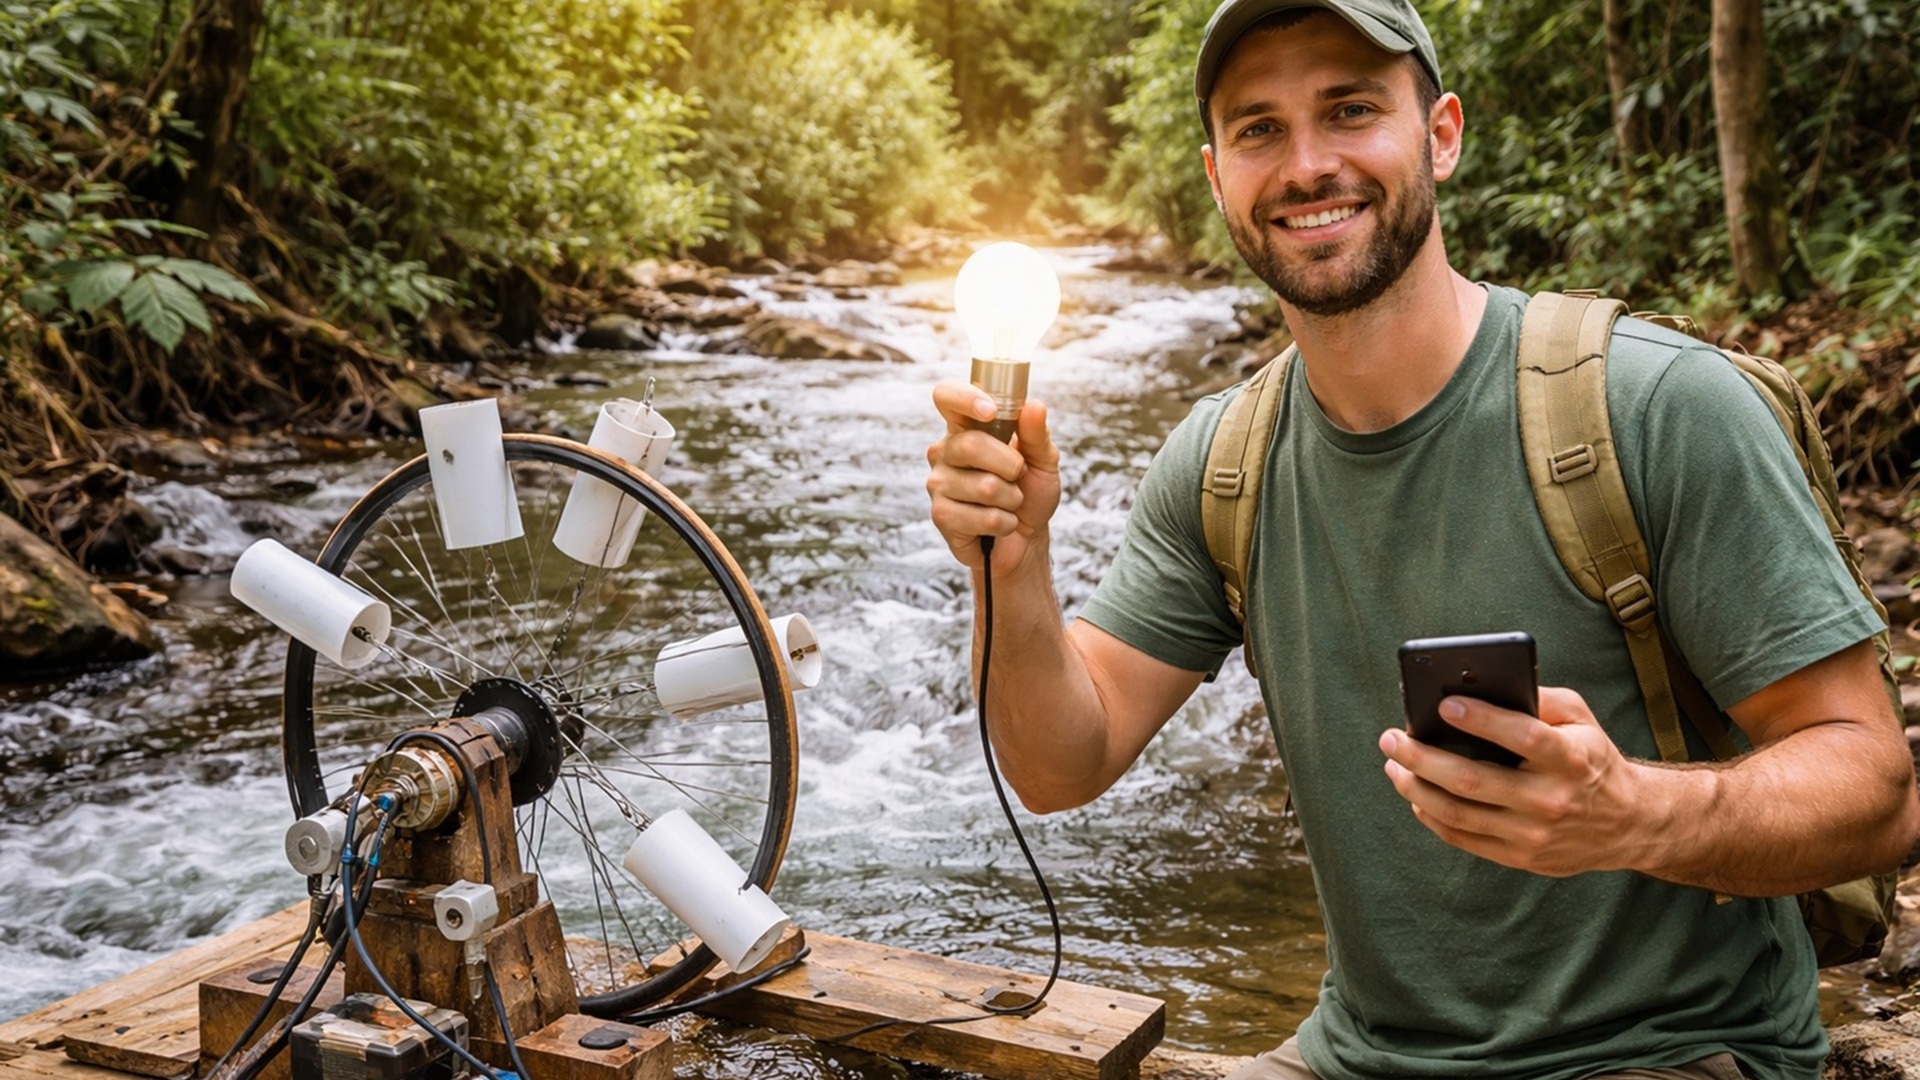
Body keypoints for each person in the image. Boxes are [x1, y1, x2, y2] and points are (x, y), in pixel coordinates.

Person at [922, 1, 1920, 1077]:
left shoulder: (1660, 408)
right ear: (1218, 178)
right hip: (1355, 1057)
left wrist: (1634, 814)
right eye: (1259, 129)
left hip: (1668, 1053)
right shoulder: (1224, 462)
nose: (1307, 165)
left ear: (1441, 134)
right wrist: (1014, 568)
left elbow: (1877, 790)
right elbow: (1061, 763)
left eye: (1350, 111)